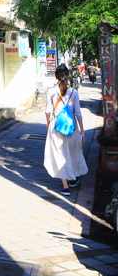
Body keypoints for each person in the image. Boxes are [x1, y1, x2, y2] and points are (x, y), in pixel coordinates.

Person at [44, 64, 87, 195]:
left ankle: (65, 186)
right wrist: (82, 131)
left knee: (60, 155)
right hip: (71, 127)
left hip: (56, 127)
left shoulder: (51, 91)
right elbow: (78, 113)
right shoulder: (74, 92)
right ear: (67, 76)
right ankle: (73, 178)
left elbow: (47, 111)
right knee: (73, 153)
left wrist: (48, 127)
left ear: (56, 77)